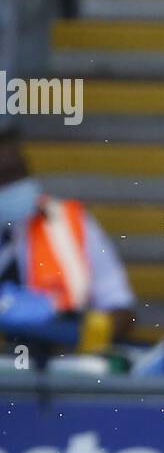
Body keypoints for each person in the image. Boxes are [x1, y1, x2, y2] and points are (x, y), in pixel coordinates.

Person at [0, 127, 135, 352]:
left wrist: (89, 336)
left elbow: (120, 308)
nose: (15, 188)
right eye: (3, 178)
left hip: (63, 369)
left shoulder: (68, 223)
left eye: (19, 174)